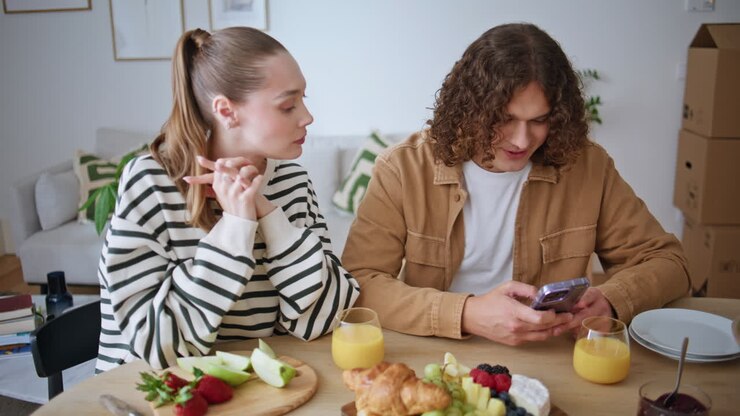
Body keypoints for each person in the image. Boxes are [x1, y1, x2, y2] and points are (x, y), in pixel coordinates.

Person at [341, 23, 689, 346]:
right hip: (440, 349)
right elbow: (360, 281)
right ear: (469, 108)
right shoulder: (403, 168)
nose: (522, 140)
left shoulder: (587, 166)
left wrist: (613, 299)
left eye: (539, 121)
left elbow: (668, 261)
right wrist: (466, 313)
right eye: (504, 119)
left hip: (546, 354)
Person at [95, 27, 359, 372]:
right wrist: (235, 228)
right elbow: (158, 346)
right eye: (288, 105)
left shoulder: (293, 182)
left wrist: (266, 212)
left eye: (304, 99)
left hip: (260, 390)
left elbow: (325, 318)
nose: (307, 116)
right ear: (227, 111)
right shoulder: (151, 181)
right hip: (152, 393)